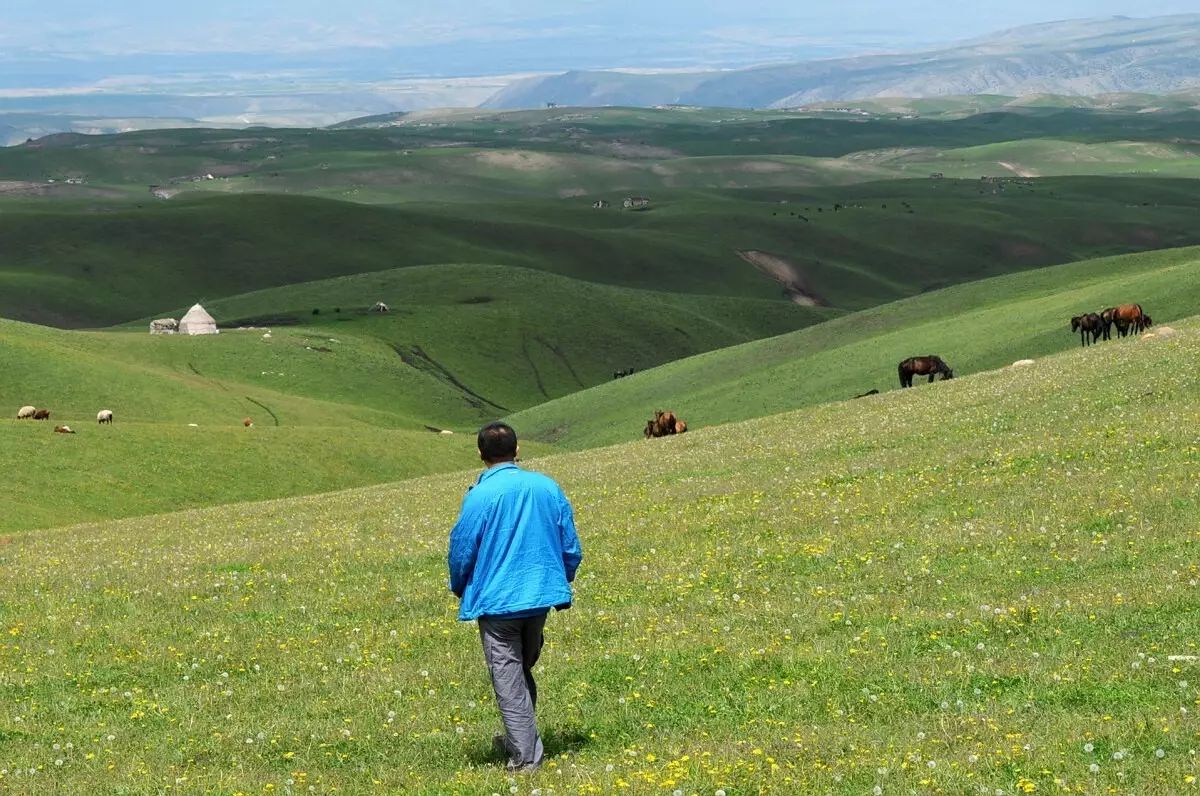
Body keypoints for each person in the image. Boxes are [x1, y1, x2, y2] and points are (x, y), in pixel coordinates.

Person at [448, 422, 583, 772]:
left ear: (480, 454)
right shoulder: (546, 486)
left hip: (498, 601)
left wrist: (461, 585)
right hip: (539, 596)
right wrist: (561, 577)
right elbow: (569, 543)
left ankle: (525, 760)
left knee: (508, 676)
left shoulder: (479, 495)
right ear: (517, 449)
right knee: (520, 669)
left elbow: (462, 549)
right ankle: (519, 739)